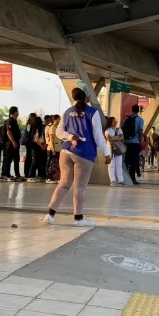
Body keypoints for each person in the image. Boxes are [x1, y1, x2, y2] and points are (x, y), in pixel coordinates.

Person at [42, 87, 111, 227]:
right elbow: (98, 136)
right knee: (80, 187)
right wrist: (107, 153)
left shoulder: (67, 112)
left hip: (66, 151)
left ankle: (50, 215)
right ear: (87, 97)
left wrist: (70, 136)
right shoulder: (93, 112)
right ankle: (78, 218)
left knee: (63, 183)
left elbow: (59, 132)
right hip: (84, 153)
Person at [122, 104, 144, 185]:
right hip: (135, 143)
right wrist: (141, 143)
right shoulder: (140, 119)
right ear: (138, 111)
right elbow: (141, 133)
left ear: (132, 110)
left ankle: (124, 177)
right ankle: (132, 179)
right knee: (134, 162)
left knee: (127, 161)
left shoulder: (127, 119)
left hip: (127, 143)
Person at [1, 106, 22, 181]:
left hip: (15, 143)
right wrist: (13, 142)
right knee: (8, 159)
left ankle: (17, 174)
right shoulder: (10, 121)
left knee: (16, 159)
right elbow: (8, 132)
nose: (18, 112)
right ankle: (6, 174)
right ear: (14, 112)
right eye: (17, 111)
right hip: (10, 143)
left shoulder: (14, 121)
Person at [104, 116, 125, 186]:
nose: (115, 122)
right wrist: (117, 137)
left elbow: (122, 137)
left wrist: (114, 138)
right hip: (110, 149)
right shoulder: (107, 130)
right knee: (111, 165)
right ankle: (112, 180)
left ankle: (120, 180)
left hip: (118, 149)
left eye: (116, 121)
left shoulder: (118, 129)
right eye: (114, 121)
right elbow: (109, 138)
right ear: (110, 122)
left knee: (119, 165)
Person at [45, 114, 62, 183]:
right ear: (55, 120)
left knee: (56, 164)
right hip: (52, 149)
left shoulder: (56, 127)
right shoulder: (52, 128)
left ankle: (55, 177)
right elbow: (51, 139)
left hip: (58, 148)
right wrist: (53, 149)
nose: (60, 120)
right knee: (51, 164)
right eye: (59, 119)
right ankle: (49, 178)